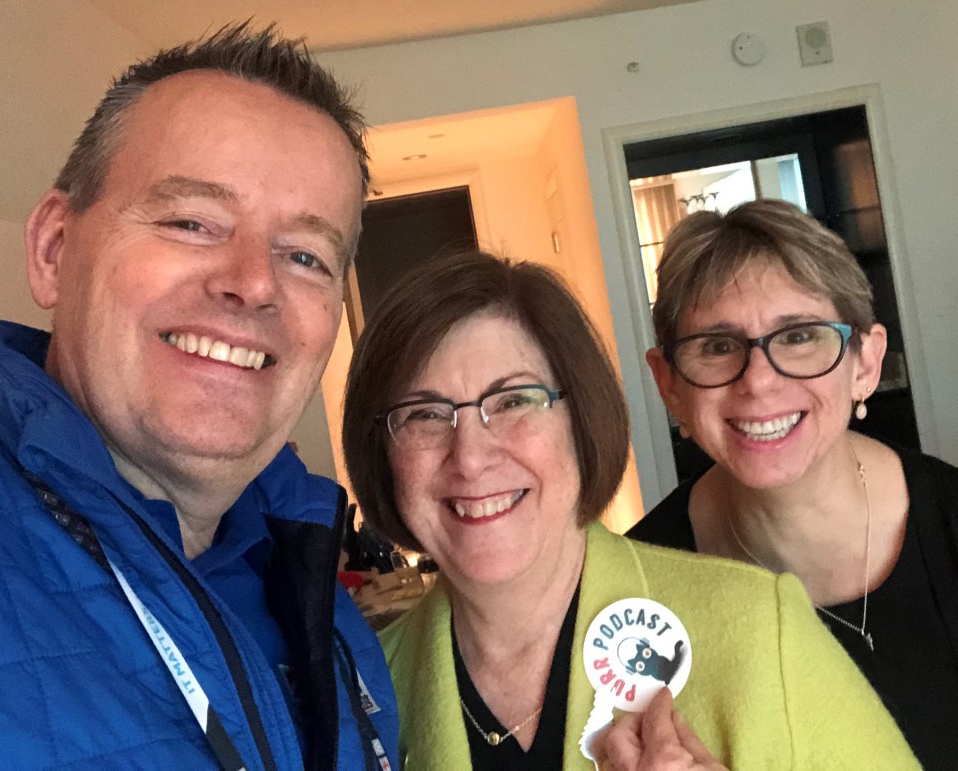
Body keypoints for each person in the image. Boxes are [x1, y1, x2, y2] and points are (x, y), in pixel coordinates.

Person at [0, 24, 398, 770]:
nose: (254, 282)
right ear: (54, 249)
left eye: (306, 256)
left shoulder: (332, 619)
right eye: (192, 222)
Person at [341, 250, 917, 769]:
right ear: (382, 454)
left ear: (582, 422)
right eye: (424, 414)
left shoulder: (761, 628)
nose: (470, 457)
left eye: (514, 400)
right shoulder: (358, 690)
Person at [628, 198, 958, 769]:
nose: (759, 382)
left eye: (800, 336)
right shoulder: (636, 595)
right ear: (669, 384)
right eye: (717, 346)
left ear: (865, 363)